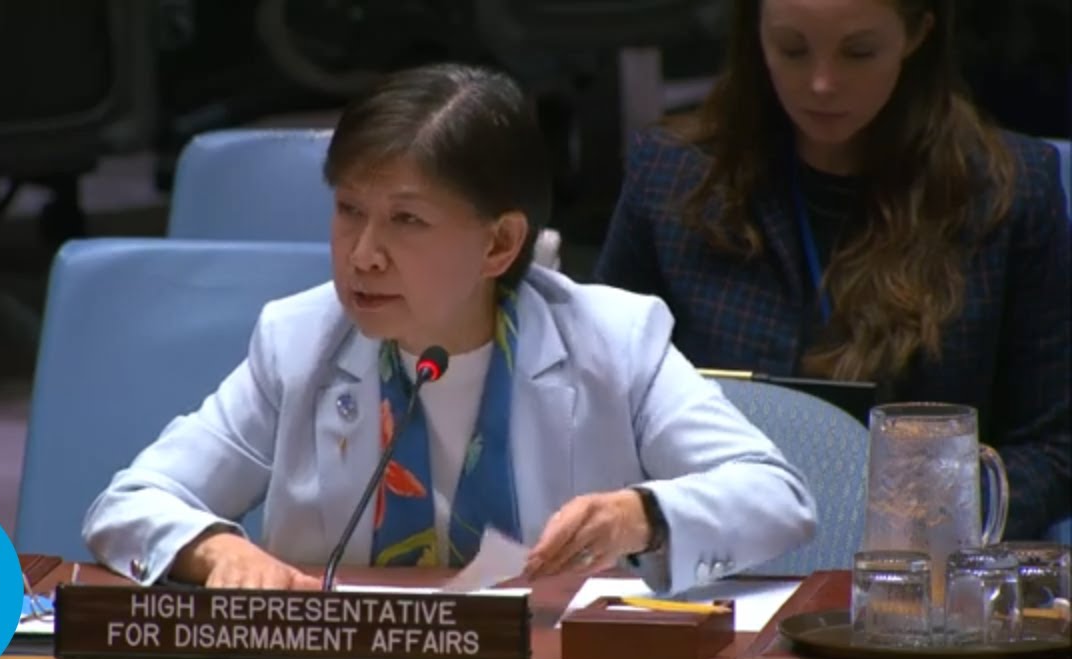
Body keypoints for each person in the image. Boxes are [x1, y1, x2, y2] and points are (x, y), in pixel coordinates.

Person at [82, 63, 818, 593]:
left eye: (406, 220)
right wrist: (215, 550)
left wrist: (642, 515)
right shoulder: (300, 343)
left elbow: (776, 496)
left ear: (499, 244)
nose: (363, 254)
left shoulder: (613, 342)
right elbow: (130, 502)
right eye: (349, 211)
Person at [594, 0, 1070, 540]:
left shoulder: (1005, 193)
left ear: (916, 34)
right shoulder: (671, 178)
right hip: (715, 553)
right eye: (793, 49)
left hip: (922, 564)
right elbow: (603, 403)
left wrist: (931, 518)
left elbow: (1055, 446)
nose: (822, 83)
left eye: (858, 52)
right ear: (756, 34)